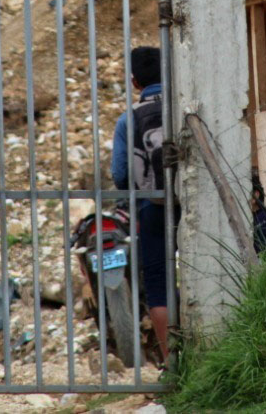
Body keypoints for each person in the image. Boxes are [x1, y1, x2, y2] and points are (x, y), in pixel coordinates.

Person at [110, 45, 170, 361]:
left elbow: (120, 173)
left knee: (159, 286)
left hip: (150, 209)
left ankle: (174, 365)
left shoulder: (128, 120)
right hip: (188, 206)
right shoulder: (181, 108)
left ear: (135, 82)